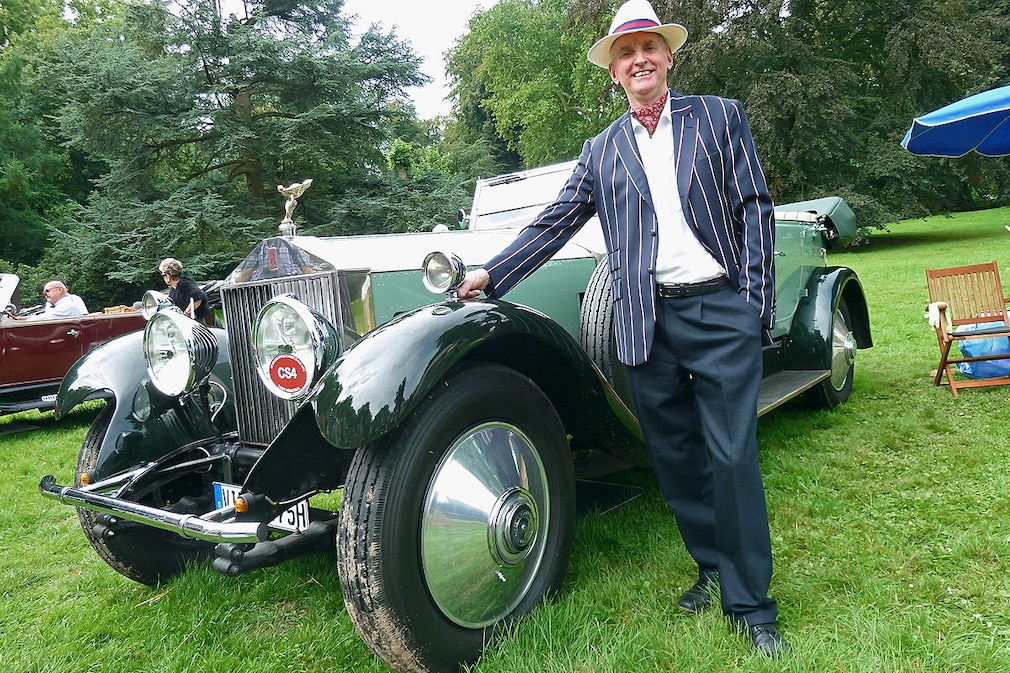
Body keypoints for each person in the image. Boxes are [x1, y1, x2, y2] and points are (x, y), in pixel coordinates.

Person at [455, 0, 787, 657]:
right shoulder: (601, 150)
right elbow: (554, 222)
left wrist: (753, 305)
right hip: (646, 321)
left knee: (731, 456)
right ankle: (712, 565)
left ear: (667, 57)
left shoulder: (719, 117)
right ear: (613, 70)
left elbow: (755, 206)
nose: (638, 59)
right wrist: (492, 274)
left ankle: (752, 604)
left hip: (720, 307)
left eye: (648, 48)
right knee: (676, 456)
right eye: (625, 52)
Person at [159, 258, 214, 326]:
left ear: (168, 276)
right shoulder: (174, 289)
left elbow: (198, 297)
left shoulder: (185, 284)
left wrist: (186, 313)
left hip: (195, 323)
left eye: (163, 275)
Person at [16, 281, 88, 321]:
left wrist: (18, 320)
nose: (45, 294)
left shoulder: (67, 304)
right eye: (44, 292)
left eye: (47, 291)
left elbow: (44, 319)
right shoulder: (52, 304)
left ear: (60, 290)